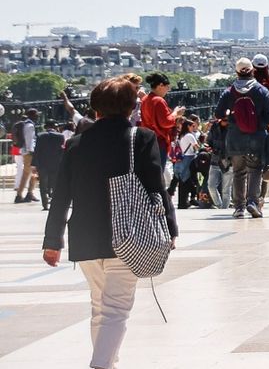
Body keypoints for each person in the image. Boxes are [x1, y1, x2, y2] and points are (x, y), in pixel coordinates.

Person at [42, 75, 178, 369]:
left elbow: (61, 195)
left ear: (95, 109)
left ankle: (108, 362)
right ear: (131, 108)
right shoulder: (141, 138)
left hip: (86, 237)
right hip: (128, 233)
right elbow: (157, 187)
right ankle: (101, 365)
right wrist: (170, 228)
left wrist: (52, 241)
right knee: (116, 309)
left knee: (100, 308)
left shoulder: (77, 143)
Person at [215, 58, 269, 219]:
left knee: (238, 172)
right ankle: (252, 203)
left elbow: (218, 114)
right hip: (257, 136)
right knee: (255, 171)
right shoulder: (261, 91)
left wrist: (230, 116)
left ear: (237, 72)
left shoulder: (229, 91)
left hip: (235, 137)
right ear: (252, 71)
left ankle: (238, 207)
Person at [140, 73, 184, 163]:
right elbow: (165, 122)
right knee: (158, 173)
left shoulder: (145, 99)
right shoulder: (158, 100)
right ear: (160, 85)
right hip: (159, 141)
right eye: (167, 86)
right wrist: (176, 113)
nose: (168, 89)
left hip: (147, 140)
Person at [33, 121, 66, 210]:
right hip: (56, 164)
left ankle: (45, 204)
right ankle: (55, 203)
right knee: (55, 184)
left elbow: (37, 151)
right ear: (55, 126)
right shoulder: (60, 136)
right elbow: (62, 151)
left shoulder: (40, 136)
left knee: (43, 185)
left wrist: (34, 164)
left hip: (43, 164)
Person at [204, 114, 232, 210]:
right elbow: (209, 141)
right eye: (224, 120)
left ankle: (224, 209)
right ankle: (219, 205)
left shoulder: (233, 127)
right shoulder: (215, 127)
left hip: (229, 161)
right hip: (215, 159)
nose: (225, 122)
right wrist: (208, 147)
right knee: (211, 186)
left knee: (226, 189)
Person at [13, 108, 39, 203]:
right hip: (29, 153)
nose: (38, 116)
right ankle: (20, 195)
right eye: (36, 114)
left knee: (31, 173)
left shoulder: (27, 124)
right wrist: (31, 151)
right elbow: (29, 139)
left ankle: (29, 193)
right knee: (28, 174)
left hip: (27, 152)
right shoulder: (30, 125)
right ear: (32, 115)